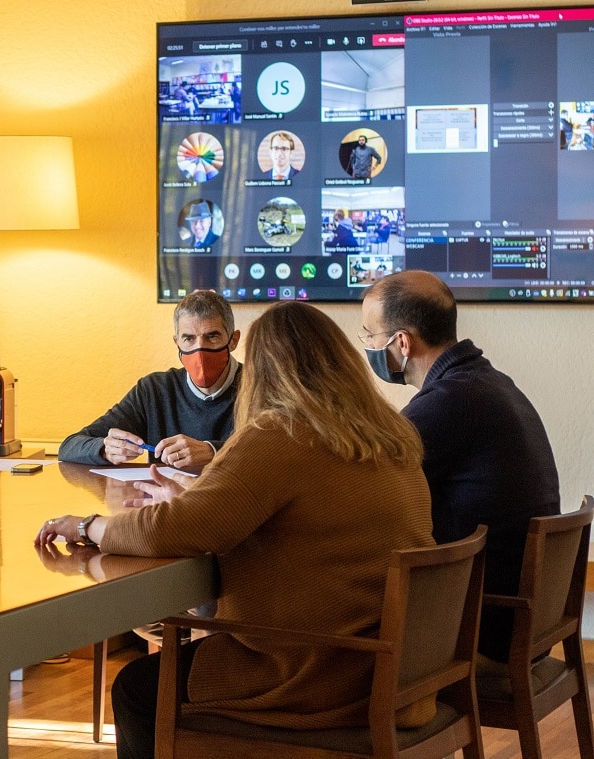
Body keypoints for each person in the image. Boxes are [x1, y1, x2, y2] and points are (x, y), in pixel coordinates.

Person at [38, 301, 434, 759]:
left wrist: (88, 525)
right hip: (393, 664)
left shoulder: (281, 433)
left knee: (135, 688)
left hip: (309, 670)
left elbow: (175, 531)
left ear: (258, 366)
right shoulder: (388, 435)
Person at [360, 270, 559, 663]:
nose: (367, 346)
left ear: (401, 342)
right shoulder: (489, 383)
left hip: (481, 627)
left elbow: (362, 485)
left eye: (369, 335)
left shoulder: (450, 400)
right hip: (521, 619)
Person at [58, 290, 239, 471]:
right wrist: (105, 449)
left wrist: (214, 451)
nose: (199, 349)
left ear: (233, 340)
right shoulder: (154, 391)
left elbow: (267, 457)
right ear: (177, 343)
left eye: (212, 337)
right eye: (189, 339)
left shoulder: (260, 386)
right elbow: (69, 446)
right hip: (169, 498)